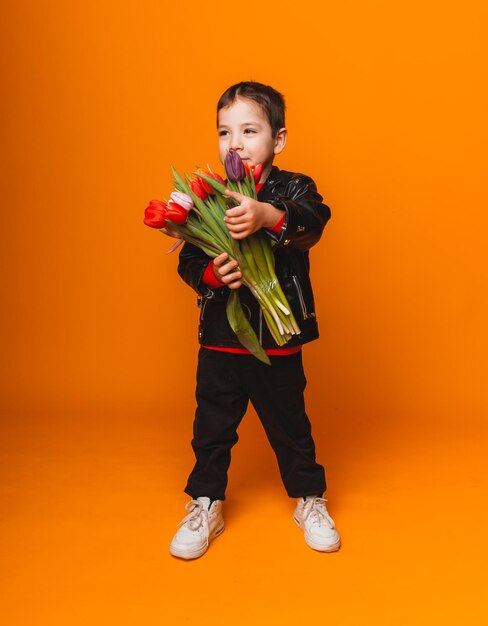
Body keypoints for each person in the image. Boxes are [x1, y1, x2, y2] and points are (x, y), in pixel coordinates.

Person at [169, 81, 341, 559]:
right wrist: (209, 273)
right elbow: (187, 261)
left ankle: (309, 499)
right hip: (222, 341)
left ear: (277, 139)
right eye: (225, 133)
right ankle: (206, 502)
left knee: (290, 425)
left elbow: (315, 219)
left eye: (249, 130)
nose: (236, 143)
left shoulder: (292, 188)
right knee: (212, 427)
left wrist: (268, 214)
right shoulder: (210, 195)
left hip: (278, 341)